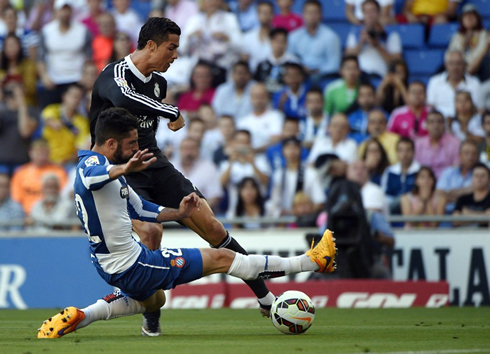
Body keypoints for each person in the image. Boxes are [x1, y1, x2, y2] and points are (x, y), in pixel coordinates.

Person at [37, 107, 337, 339]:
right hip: (132, 263)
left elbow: (144, 210)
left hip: (111, 264)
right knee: (223, 258)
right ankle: (312, 261)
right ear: (111, 143)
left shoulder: (113, 173)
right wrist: (124, 167)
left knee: (154, 301)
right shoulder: (94, 164)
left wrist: (179, 212)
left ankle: (81, 316)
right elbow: (90, 178)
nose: (134, 149)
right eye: (129, 144)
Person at [89, 17, 277, 335]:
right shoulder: (115, 75)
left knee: (213, 227)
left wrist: (165, 110)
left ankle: (267, 299)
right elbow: (124, 99)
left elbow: (146, 128)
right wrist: (172, 111)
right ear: (151, 45)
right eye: (171, 47)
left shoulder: (159, 84)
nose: (175, 55)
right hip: (121, 171)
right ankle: (152, 312)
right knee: (151, 233)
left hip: (156, 165)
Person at [37, 0, 92, 108]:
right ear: (56, 11)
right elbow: (41, 57)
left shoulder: (82, 30)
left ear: (72, 11)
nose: (65, 13)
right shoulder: (47, 31)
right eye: (62, 10)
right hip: (53, 80)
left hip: (77, 79)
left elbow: (88, 56)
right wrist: (44, 76)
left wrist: (85, 75)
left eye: (68, 10)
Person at [267, 137, 325, 217]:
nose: (291, 151)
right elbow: (274, 201)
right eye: (288, 148)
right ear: (283, 151)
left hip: (305, 217)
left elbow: (319, 202)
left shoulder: (311, 173)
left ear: (300, 150)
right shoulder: (278, 174)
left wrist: (304, 210)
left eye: (295, 148)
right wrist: (281, 213)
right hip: (284, 219)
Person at [345, 0, 402, 79]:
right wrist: (360, 42)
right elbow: (348, 59)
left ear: (379, 13)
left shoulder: (390, 34)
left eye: (372, 11)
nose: (370, 15)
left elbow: (396, 64)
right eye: (366, 12)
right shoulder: (355, 33)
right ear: (363, 14)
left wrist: (377, 45)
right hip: (359, 77)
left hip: (382, 76)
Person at [180, 0, 242, 72]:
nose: (212, 2)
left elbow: (240, 47)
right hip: (198, 65)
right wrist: (191, 36)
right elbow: (182, 49)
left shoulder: (229, 18)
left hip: (222, 65)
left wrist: (226, 38)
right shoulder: (195, 20)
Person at [10, 139, 68, 215]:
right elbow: (16, 198)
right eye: (38, 151)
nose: (41, 155)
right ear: (30, 152)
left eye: (44, 152)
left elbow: (64, 194)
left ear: (49, 153)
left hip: (54, 213)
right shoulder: (21, 172)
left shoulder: (59, 171)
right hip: (26, 214)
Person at [288, 0, 341, 80]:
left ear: (321, 15)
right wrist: (301, 68)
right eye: (309, 13)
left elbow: (334, 64)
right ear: (303, 15)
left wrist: (317, 70)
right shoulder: (294, 36)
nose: (312, 16)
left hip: (321, 75)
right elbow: (289, 58)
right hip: (299, 75)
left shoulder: (331, 37)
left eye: (315, 12)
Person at [41, 83, 90, 165]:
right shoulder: (52, 110)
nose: (76, 100)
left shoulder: (82, 121)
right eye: (73, 96)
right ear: (64, 96)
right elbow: (53, 123)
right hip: (47, 160)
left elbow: (80, 146)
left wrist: (68, 161)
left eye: (79, 97)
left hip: (68, 163)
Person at [426, 50, 482, 119]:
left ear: (464, 65)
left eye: (459, 63)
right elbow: (430, 107)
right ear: (445, 64)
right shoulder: (435, 82)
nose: (455, 67)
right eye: (451, 63)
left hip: (467, 125)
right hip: (441, 126)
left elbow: (478, 109)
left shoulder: (474, 83)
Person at [171, 137, 223, 211]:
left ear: (198, 150)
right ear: (179, 150)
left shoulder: (209, 168)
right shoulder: (171, 166)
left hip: (201, 214)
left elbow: (215, 196)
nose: (188, 153)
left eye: (191, 148)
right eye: (185, 148)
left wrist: (198, 211)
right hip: (172, 214)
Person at [0, 78, 38, 175]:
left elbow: (25, 131)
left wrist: (22, 103)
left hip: (22, 162)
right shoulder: (2, 112)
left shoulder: (31, 112)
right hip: (1, 162)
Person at [237, 83, 284, 153]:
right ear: (250, 98)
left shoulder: (276, 116)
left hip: (268, 158)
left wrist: (254, 150)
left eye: (262, 96)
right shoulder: (242, 121)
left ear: (267, 97)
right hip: (246, 159)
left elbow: (276, 140)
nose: (259, 99)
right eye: (256, 96)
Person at [436, 140, 479, 214]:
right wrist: (467, 192)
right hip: (447, 213)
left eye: (474, 153)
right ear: (459, 155)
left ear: (478, 156)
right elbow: (439, 194)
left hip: (471, 213)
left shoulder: (482, 173)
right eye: (466, 153)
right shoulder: (448, 172)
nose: (470, 157)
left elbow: (480, 195)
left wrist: (450, 193)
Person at [448, 4, 489, 81]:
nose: (469, 18)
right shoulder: (458, 36)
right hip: (461, 71)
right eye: (466, 16)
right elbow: (451, 56)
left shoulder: (484, 34)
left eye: (472, 16)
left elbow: (480, 54)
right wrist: (463, 45)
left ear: (477, 18)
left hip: (479, 71)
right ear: (461, 20)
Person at [414, 110, 460, 178]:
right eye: (431, 122)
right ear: (426, 125)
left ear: (444, 125)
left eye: (439, 122)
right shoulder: (418, 144)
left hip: (447, 183)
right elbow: (415, 168)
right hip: (424, 183)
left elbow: (456, 168)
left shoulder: (455, 143)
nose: (436, 125)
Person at [254, 28, 299, 94]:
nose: (279, 45)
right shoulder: (262, 62)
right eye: (276, 41)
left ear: (286, 43)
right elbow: (257, 82)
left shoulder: (293, 63)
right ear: (271, 42)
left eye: (282, 41)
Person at [381, 137, 421, 207]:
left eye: (408, 150)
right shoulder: (389, 171)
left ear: (413, 152)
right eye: (401, 150)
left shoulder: (420, 171)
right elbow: (384, 194)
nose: (404, 154)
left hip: (414, 208)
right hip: (392, 208)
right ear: (397, 153)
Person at [452, 162, 490, 227]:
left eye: (482, 176)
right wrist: (482, 215)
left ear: (489, 179)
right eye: (476, 176)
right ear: (471, 178)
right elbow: (455, 221)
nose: (479, 179)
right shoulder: (463, 199)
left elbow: (488, 218)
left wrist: (467, 214)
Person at [241, 1, 274, 71]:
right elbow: (244, 61)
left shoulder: (278, 38)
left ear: (273, 15)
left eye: (268, 12)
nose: (265, 15)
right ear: (257, 15)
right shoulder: (247, 37)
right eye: (262, 12)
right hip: (252, 76)